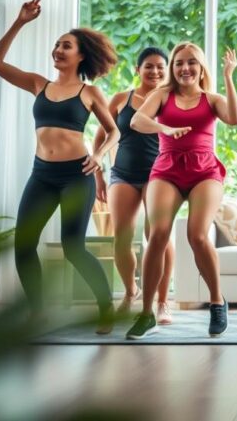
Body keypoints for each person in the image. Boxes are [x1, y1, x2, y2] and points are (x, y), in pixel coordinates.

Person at [0, 0, 119, 334]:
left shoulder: (90, 93)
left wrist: (99, 157)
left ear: (81, 55)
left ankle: (106, 309)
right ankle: (37, 312)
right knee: (24, 245)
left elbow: (114, 131)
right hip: (42, 174)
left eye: (66, 46)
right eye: (57, 45)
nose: (58, 50)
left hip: (77, 174)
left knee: (74, 247)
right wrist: (19, 22)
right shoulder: (38, 84)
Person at [125, 44, 237, 340]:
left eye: (192, 63)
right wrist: (163, 129)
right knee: (158, 234)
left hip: (205, 171)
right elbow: (136, 120)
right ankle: (146, 312)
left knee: (197, 235)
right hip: (167, 170)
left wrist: (229, 76)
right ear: (173, 68)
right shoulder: (162, 96)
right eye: (179, 63)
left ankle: (217, 301)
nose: (185, 68)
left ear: (202, 68)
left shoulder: (212, 99)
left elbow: (236, 119)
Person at [93, 47, 170, 320]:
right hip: (122, 174)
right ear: (137, 70)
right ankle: (130, 291)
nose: (155, 71)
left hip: (160, 175)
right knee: (121, 238)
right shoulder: (120, 99)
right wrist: (98, 174)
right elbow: (101, 134)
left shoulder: (171, 101)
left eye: (161, 66)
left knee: (158, 237)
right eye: (149, 66)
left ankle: (162, 302)